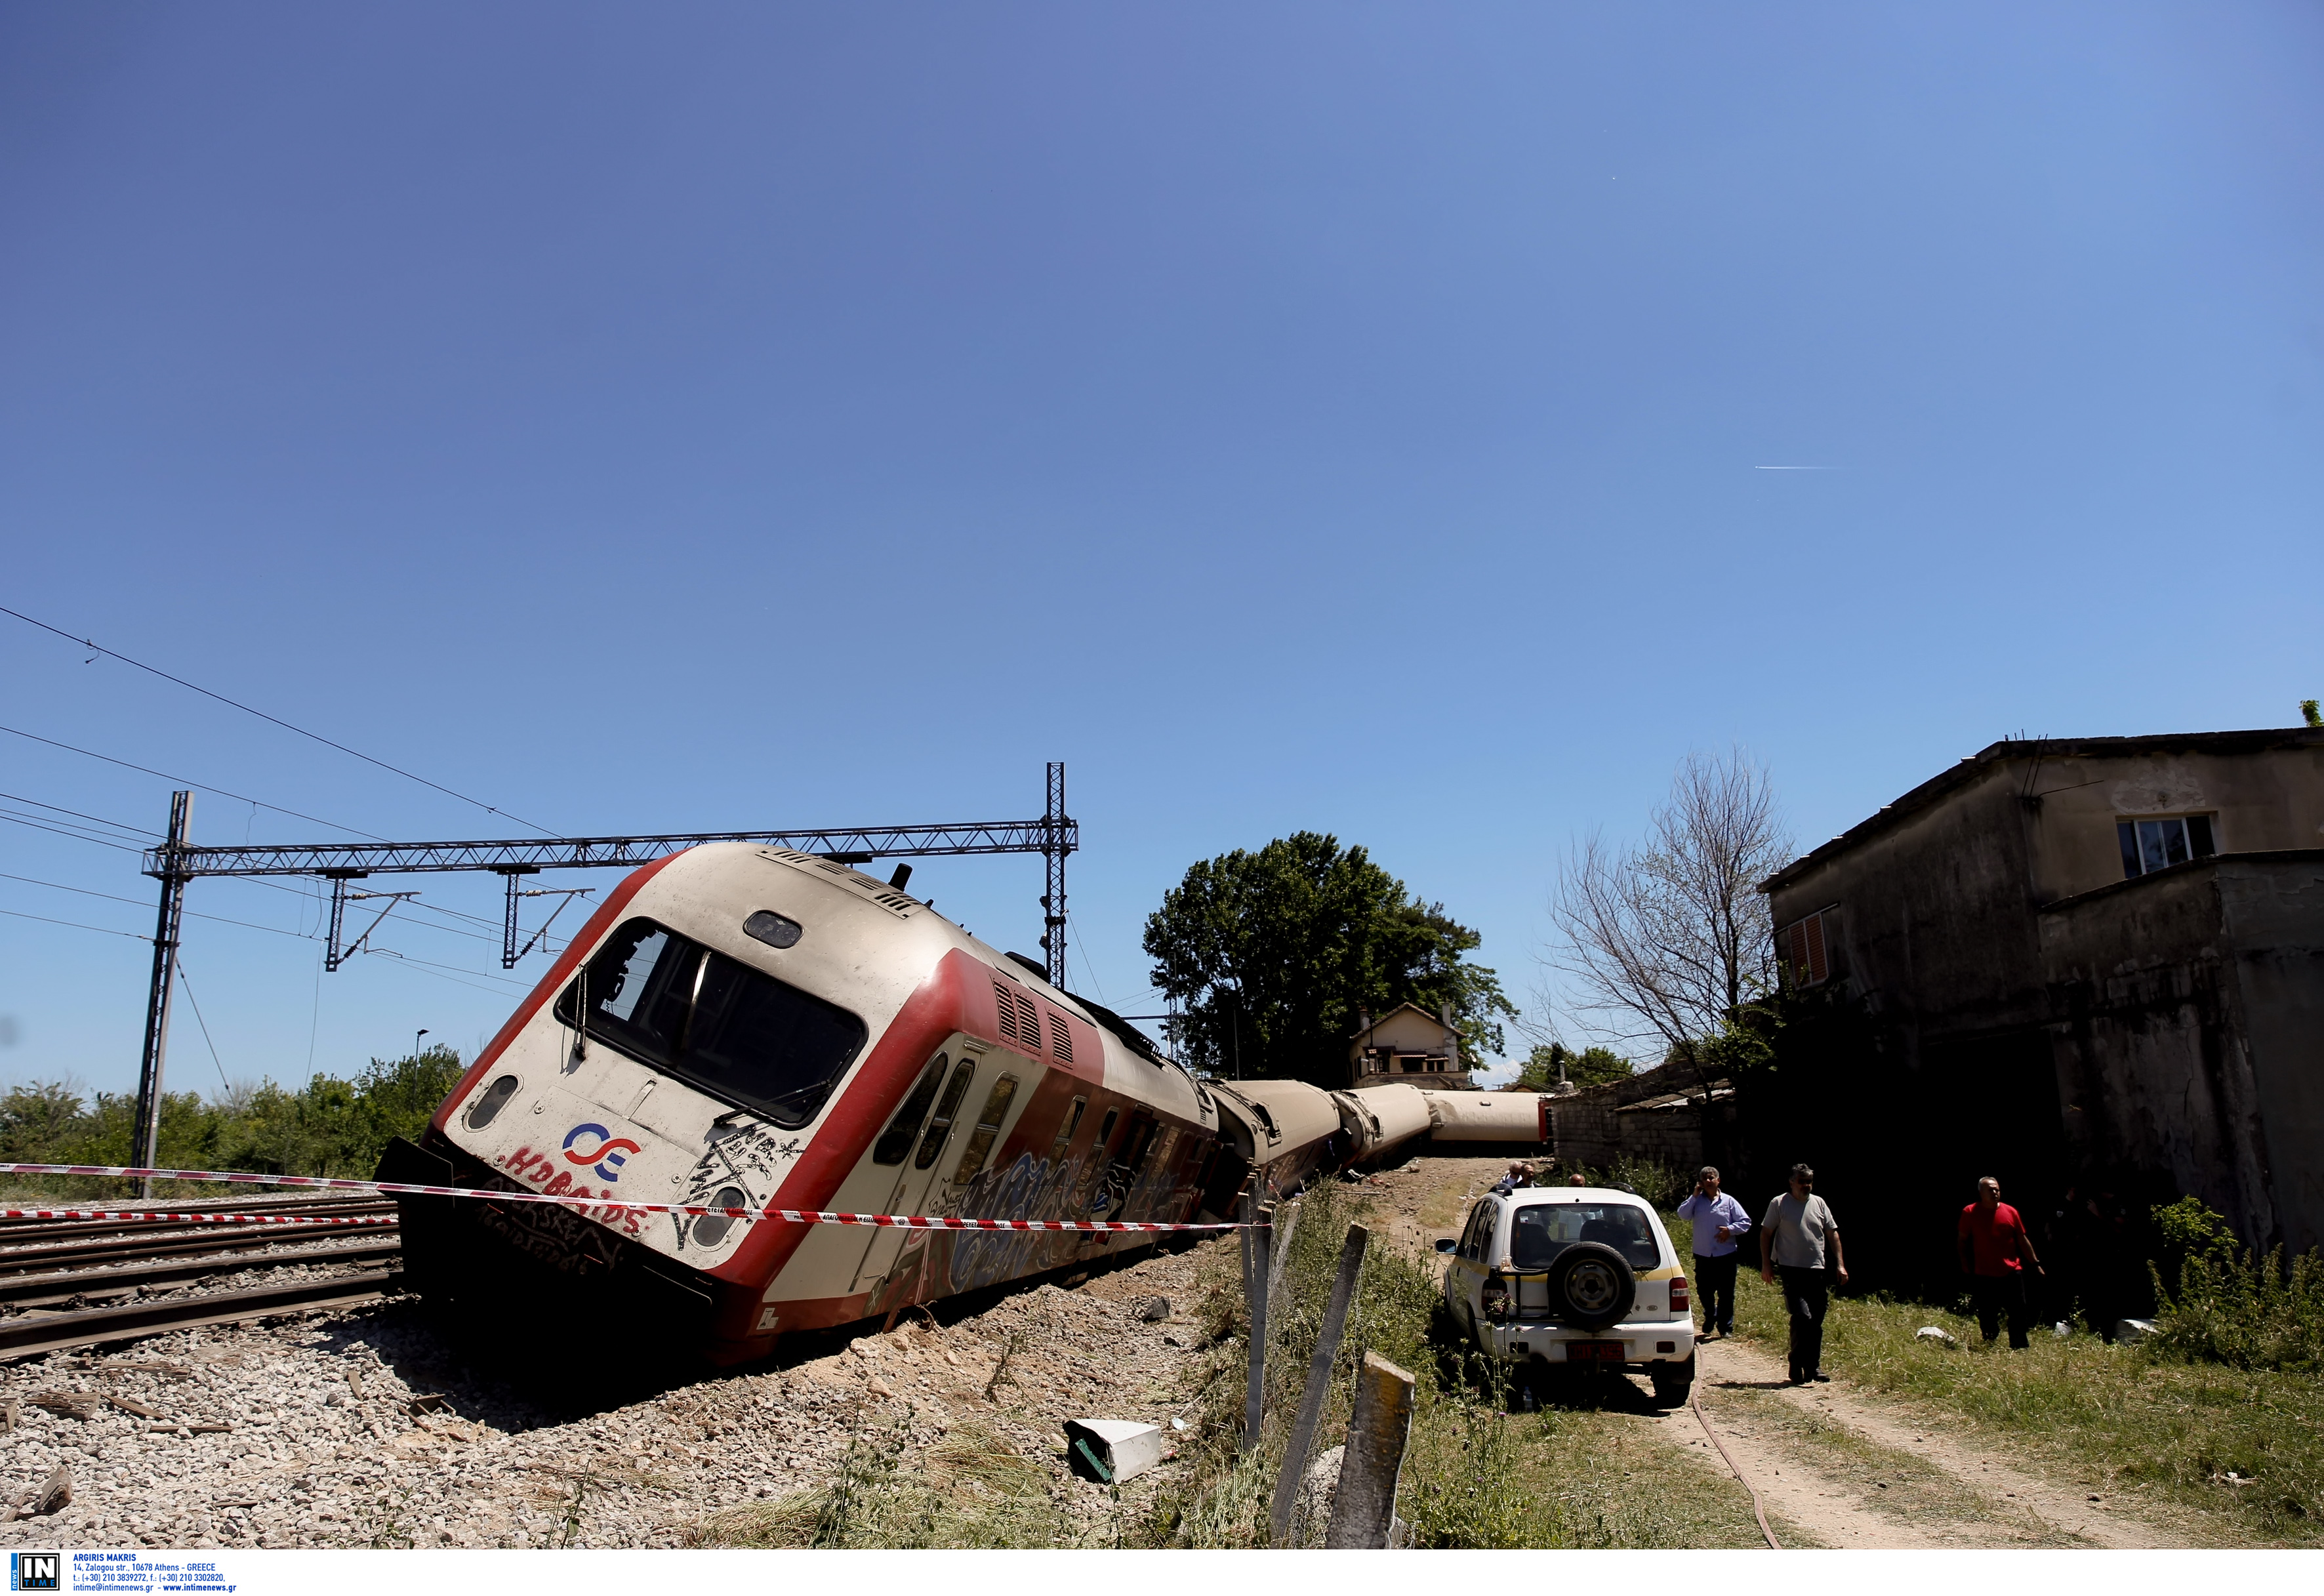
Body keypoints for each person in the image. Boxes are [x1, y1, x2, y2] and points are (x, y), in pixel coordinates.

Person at [1759, 1163, 1846, 1384]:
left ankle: (1813, 1367)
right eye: (1801, 1182)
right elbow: (1766, 1233)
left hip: (1816, 1269)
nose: (1805, 1186)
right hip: (1790, 1269)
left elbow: (1832, 1234)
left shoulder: (1819, 1203)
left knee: (1816, 1321)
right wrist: (1766, 1264)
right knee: (1802, 1316)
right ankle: (1796, 1362)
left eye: (1809, 1182)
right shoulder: (1779, 1204)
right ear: (1792, 1182)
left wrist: (1840, 1265)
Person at [1958, 1176, 2043, 1349]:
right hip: (1984, 1273)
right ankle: (1989, 1342)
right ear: (1981, 1192)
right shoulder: (1970, 1212)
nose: (1995, 1192)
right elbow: (1962, 1240)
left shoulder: (2011, 1211)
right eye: (1991, 1190)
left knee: (2018, 1311)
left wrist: (2035, 1263)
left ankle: (2019, 1345)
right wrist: (1964, 1261)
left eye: (1997, 1189)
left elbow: (2022, 1239)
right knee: (1987, 1313)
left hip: (2012, 1270)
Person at [1675, 1165, 1750, 1339]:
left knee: (1726, 1293)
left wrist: (1730, 1230)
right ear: (1700, 1183)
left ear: (1718, 1180)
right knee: (1704, 1290)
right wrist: (1694, 1196)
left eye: (1711, 1178)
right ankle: (1711, 1315)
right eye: (1705, 1179)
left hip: (1726, 1255)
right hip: (1703, 1255)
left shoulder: (1729, 1201)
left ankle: (1725, 1327)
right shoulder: (1696, 1202)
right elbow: (1683, 1215)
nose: (1708, 1181)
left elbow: (1745, 1222)